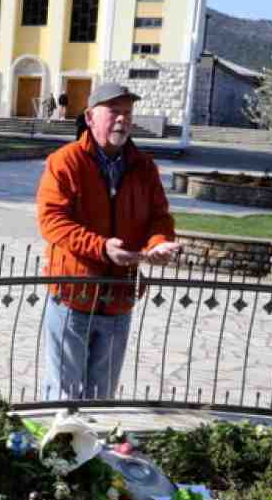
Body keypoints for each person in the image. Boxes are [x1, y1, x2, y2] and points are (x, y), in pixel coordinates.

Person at [36, 82, 180, 401]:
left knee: (102, 396)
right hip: (73, 296)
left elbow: (160, 217)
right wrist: (101, 247)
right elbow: (52, 221)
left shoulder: (144, 167)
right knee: (63, 396)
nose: (122, 120)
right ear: (90, 117)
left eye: (127, 113)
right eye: (114, 112)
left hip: (119, 300)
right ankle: (60, 449)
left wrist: (158, 243)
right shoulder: (65, 162)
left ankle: (94, 448)